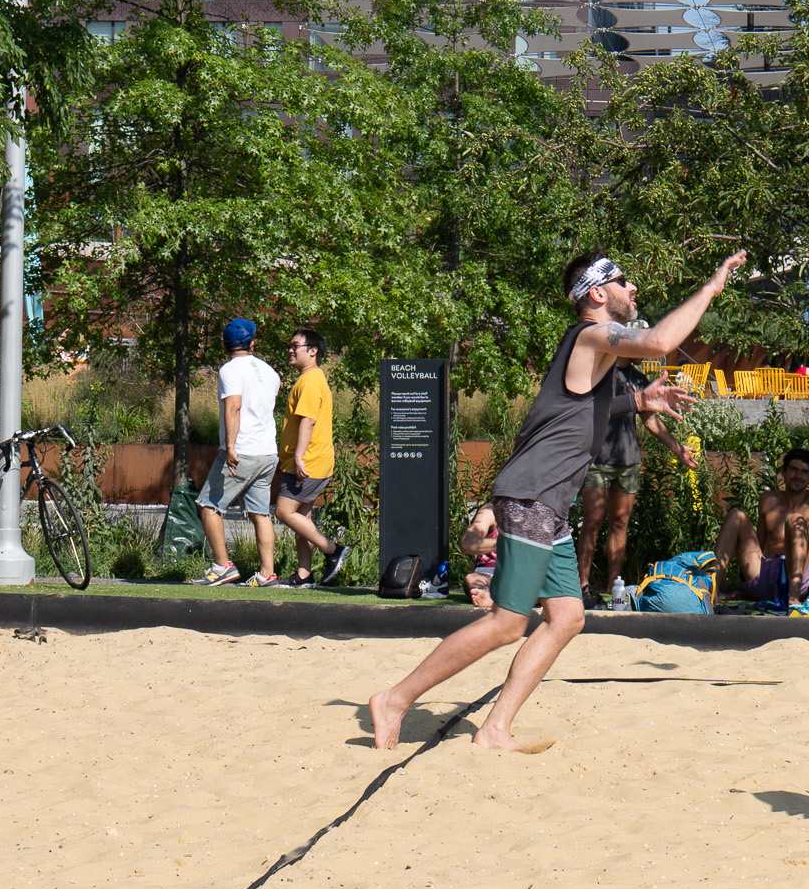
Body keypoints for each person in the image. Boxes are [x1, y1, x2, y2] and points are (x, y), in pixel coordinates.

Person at [368, 247, 743, 752]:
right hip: (532, 496)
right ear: (597, 293)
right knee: (507, 622)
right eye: (624, 281)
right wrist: (711, 287)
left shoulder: (592, 352)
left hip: (549, 502)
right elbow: (658, 342)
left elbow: (576, 409)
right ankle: (395, 699)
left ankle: (495, 729)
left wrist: (638, 400)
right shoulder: (590, 334)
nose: (633, 289)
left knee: (567, 616)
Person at [577, 360, 697, 603]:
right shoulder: (599, 372)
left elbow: (650, 420)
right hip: (597, 459)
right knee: (591, 522)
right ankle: (581, 584)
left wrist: (676, 448)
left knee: (620, 522)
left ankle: (614, 588)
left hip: (628, 460)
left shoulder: (638, 379)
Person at [197, 319, 282, 587]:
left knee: (208, 506)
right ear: (252, 343)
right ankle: (267, 574)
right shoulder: (270, 372)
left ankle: (222, 566)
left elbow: (234, 407)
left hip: (242, 451)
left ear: (224, 344)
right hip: (268, 452)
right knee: (260, 513)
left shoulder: (229, 370)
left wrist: (231, 447)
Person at [272, 330, 351, 588]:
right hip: (312, 461)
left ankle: (332, 550)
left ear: (312, 350)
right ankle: (304, 574)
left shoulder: (309, 382)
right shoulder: (312, 379)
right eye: (290, 345)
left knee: (284, 512)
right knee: (302, 519)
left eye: (296, 345)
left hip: (307, 462)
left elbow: (308, 421)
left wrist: (297, 457)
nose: (290, 350)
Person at [714, 447, 809, 607]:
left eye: (804, 472)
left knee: (796, 520)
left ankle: (792, 599)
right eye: (793, 469)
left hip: (798, 581)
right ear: (783, 472)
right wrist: (746, 590)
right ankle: (713, 588)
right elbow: (757, 546)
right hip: (763, 576)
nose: (798, 476)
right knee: (736, 515)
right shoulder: (768, 499)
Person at [460, 502, 497, 609]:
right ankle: (489, 597)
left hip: (522, 573)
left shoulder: (540, 510)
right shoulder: (490, 510)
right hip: (489, 574)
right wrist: (504, 542)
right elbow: (467, 544)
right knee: (472, 578)